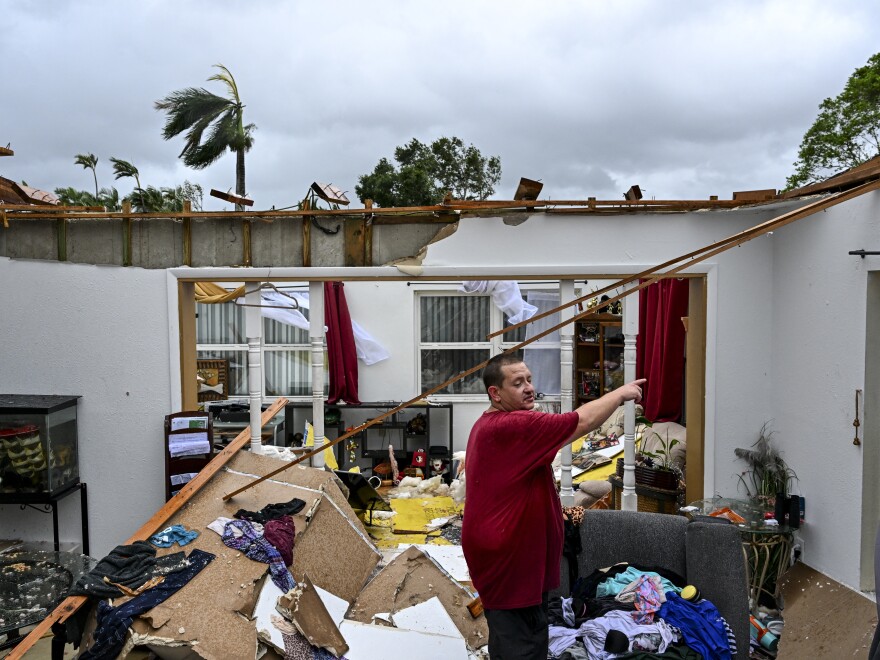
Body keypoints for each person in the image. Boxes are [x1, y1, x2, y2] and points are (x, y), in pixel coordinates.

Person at [461, 353, 645, 659]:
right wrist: (622, 392)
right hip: (510, 562)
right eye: (517, 383)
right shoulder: (513, 425)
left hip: (508, 557)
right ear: (496, 393)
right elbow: (582, 420)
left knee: (517, 638)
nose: (528, 388)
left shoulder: (495, 423)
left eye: (529, 380)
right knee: (522, 646)